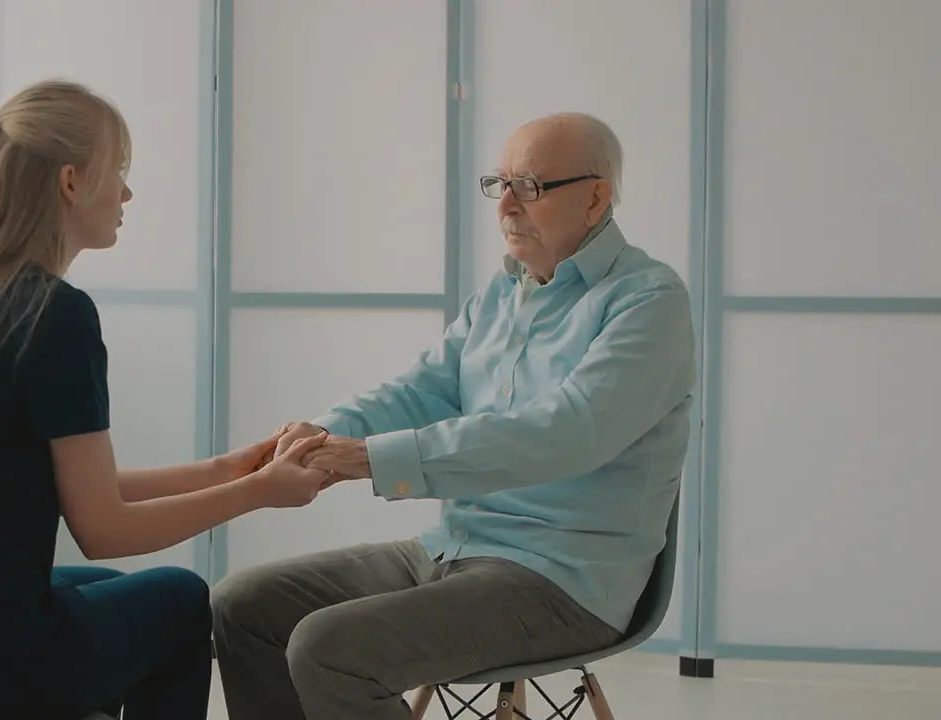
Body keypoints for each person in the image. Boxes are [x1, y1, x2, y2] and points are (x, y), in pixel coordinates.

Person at [0, 79, 332, 720]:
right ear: (69, 182)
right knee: (176, 601)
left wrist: (226, 470)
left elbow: (55, 482)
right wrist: (260, 493)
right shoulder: (55, 317)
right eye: (117, 171)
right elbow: (102, 528)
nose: (126, 194)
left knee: (114, 596)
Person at [211, 112, 696, 720]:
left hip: (565, 580)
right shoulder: (501, 294)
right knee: (243, 604)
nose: (507, 206)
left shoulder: (648, 300)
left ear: (596, 196)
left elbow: (568, 432)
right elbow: (421, 391)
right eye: (501, 185)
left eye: (532, 186)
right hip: (453, 550)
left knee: (329, 649)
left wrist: (372, 460)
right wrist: (324, 434)